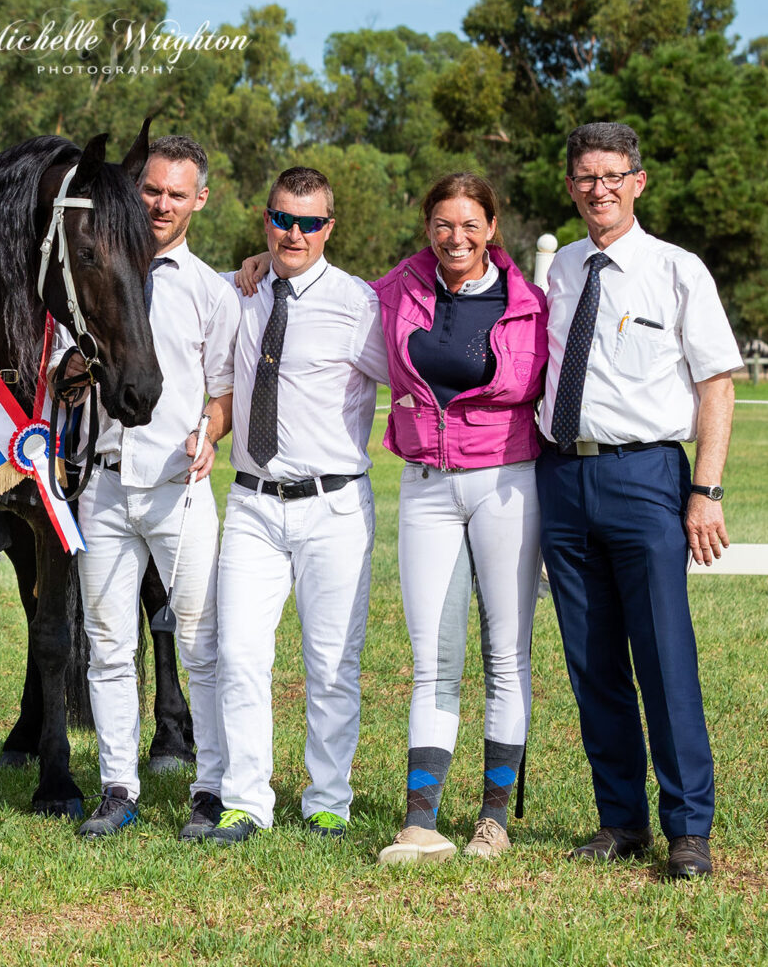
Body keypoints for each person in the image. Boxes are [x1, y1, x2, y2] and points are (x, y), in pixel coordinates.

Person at [538, 122, 740, 879]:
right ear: (570, 185)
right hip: (562, 478)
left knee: (663, 658)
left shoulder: (677, 270)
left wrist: (705, 490)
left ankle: (688, 829)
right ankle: (619, 822)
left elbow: (716, 382)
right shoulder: (558, 271)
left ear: (639, 181)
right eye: (586, 177)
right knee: (592, 664)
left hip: (647, 477)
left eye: (613, 175)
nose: (600, 189)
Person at [61, 135, 237, 841]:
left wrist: (212, 431)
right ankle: (117, 787)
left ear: (199, 200)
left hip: (176, 488)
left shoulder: (212, 290)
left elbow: (223, 392)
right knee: (108, 644)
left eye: (175, 193)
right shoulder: (90, 276)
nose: (160, 204)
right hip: (102, 488)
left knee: (201, 644)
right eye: (151, 190)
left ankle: (209, 786)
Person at [205, 167, 388, 845]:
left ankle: (327, 803)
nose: (295, 233)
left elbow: (409, 371)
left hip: (333, 507)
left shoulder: (359, 303)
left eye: (310, 222)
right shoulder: (240, 292)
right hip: (252, 505)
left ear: (329, 228)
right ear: (266, 218)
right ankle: (246, 801)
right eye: (284, 219)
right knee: (241, 655)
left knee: (332, 661)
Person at [369, 174, 547, 863]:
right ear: (427, 227)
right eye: (443, 223)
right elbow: (315, 286)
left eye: (470, 224)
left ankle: (494, 819)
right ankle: (420, 821)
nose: (456, 236)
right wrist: (255, 265)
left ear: (493, 227)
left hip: (508, 484)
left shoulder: (533, 302)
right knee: (432, 662)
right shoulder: (394, 291)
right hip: (427, 489)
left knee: (507, 657)